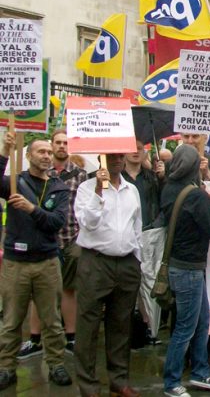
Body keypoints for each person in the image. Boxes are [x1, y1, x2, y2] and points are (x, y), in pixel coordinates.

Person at [0, 134, 72, 391]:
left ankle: (56, 364)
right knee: (11, 320)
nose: (46, 156)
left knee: (52, 319)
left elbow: (56, 223)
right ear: (29, 155)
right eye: (40, 151)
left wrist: (31, 209)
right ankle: (6, 368)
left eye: (49, 152)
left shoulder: (58, 188)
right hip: (15, 263)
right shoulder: (14, 183)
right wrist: (5, 151)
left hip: (47, 262)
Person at [74, 153, 144, 397]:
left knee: (121, 324)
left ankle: (119, 379)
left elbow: (137, 226)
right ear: (101, 158)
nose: (117, 160)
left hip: (126, 264)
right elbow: (87, 222)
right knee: (88, 327)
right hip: (95, 263)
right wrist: (98, 192)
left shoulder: (131, 190)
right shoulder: (85, 188)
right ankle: (88, 385)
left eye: (120, 156)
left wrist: (138, 260)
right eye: (111, 156)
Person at [161, 145, 210, 397]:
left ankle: (200, 372)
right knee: (186, 328)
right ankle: (172, 382)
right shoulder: (197, 196)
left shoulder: (169, 188)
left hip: (182, 266)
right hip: (190, 269)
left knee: (201, 322)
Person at [17, 129, 88, 360]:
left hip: (71, 237)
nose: (60, 147)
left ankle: (71, 336)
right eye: (57, 143)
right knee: (39, 292)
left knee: (70, 289)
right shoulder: (39, 173)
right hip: (43, 238)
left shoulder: (80, 174)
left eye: (65, 143)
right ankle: (35, 339)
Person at [122, 140, 165, 346]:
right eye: (130, 147)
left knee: (149, 282)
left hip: (149, 234)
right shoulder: (116, 178)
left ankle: (150, 328)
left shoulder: (152, 178)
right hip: (125, 237)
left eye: (139, 148)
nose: (135, 152)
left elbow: (163, 203)